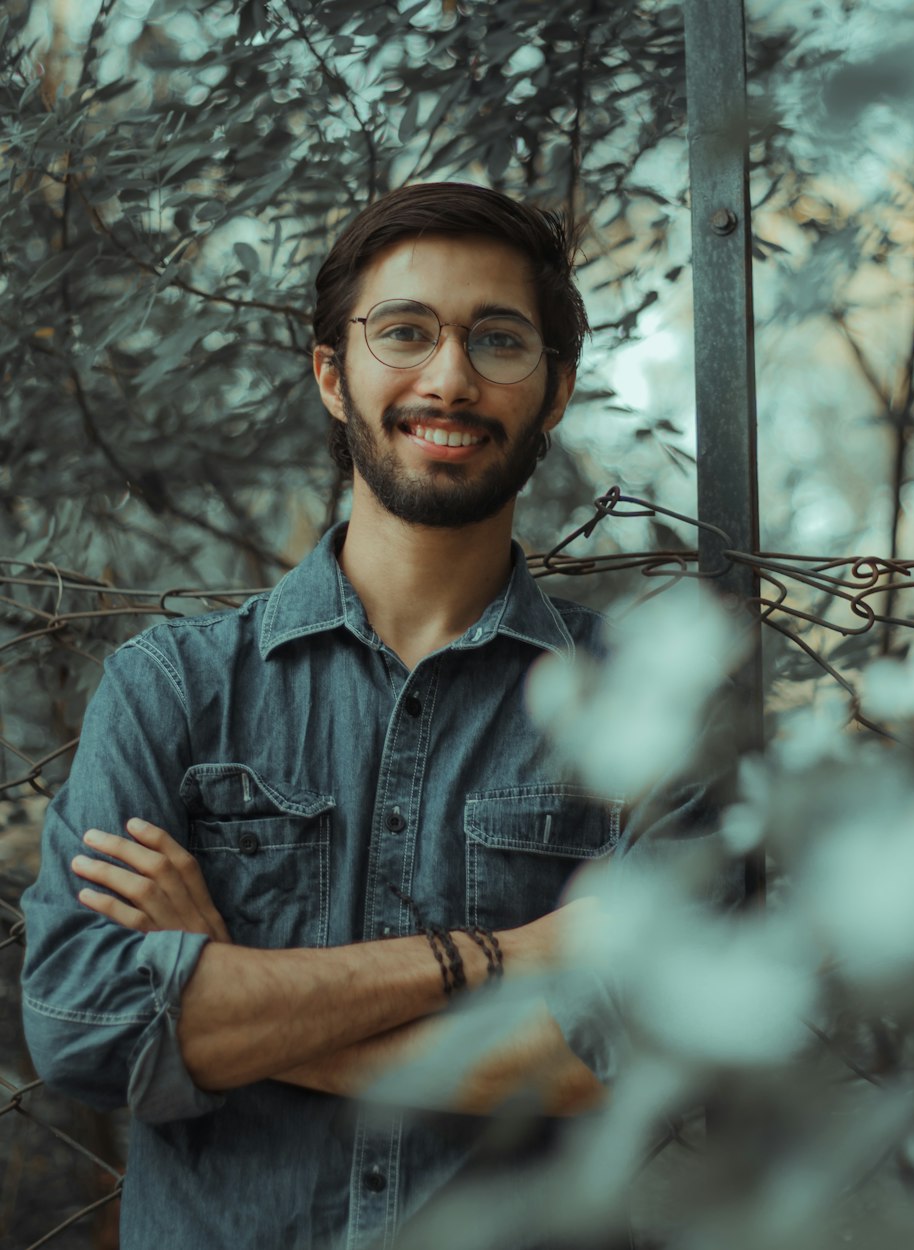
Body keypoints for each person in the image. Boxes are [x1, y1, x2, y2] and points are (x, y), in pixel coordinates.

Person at [20, 183, 709, 1250]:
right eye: (405, 333)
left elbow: (644, 1048)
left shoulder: (646, 707)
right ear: (332, 372)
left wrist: (223, 1003)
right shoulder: (175, 690)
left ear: (557, 387)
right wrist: (495, 958)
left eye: (498, 339)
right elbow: (86, 1024)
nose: (449, 377)